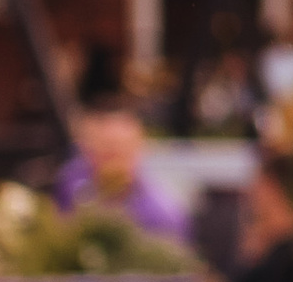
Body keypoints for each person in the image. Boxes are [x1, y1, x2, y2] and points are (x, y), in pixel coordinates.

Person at [53, 90, 193, 242]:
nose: (110, 161)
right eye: (99, 149)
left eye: (117, 150)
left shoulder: (162, 215)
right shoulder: (70, 183)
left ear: (138, 147)